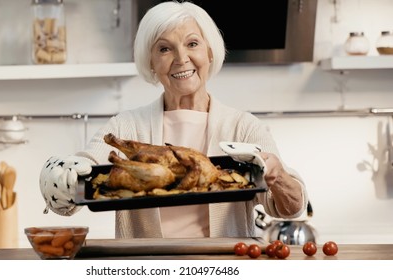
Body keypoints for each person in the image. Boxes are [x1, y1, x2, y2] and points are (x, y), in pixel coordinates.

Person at [39, 0, 308, 238]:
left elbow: (291, 208)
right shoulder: (126, 126)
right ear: (152, 63)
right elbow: (78, 184)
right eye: (164, 49)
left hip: (224, 265)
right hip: (146, 268)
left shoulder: (243, 127)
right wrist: (60, 177)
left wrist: (278, 177)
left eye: (192, 44)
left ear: (209, 52)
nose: (181, 59)